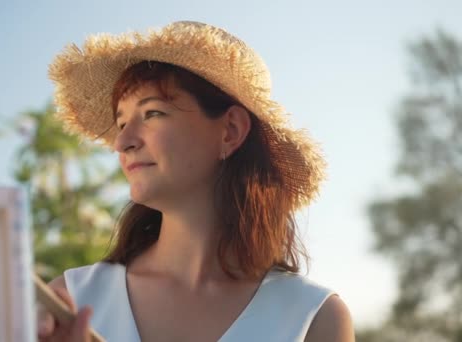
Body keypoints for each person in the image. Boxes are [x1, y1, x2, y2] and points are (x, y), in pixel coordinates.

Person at [38, 21, 354, 342]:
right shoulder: (67, 302)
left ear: (230, 130)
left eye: (152, 114)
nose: (123, 142)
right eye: (121, 123)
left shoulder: (315, 318)